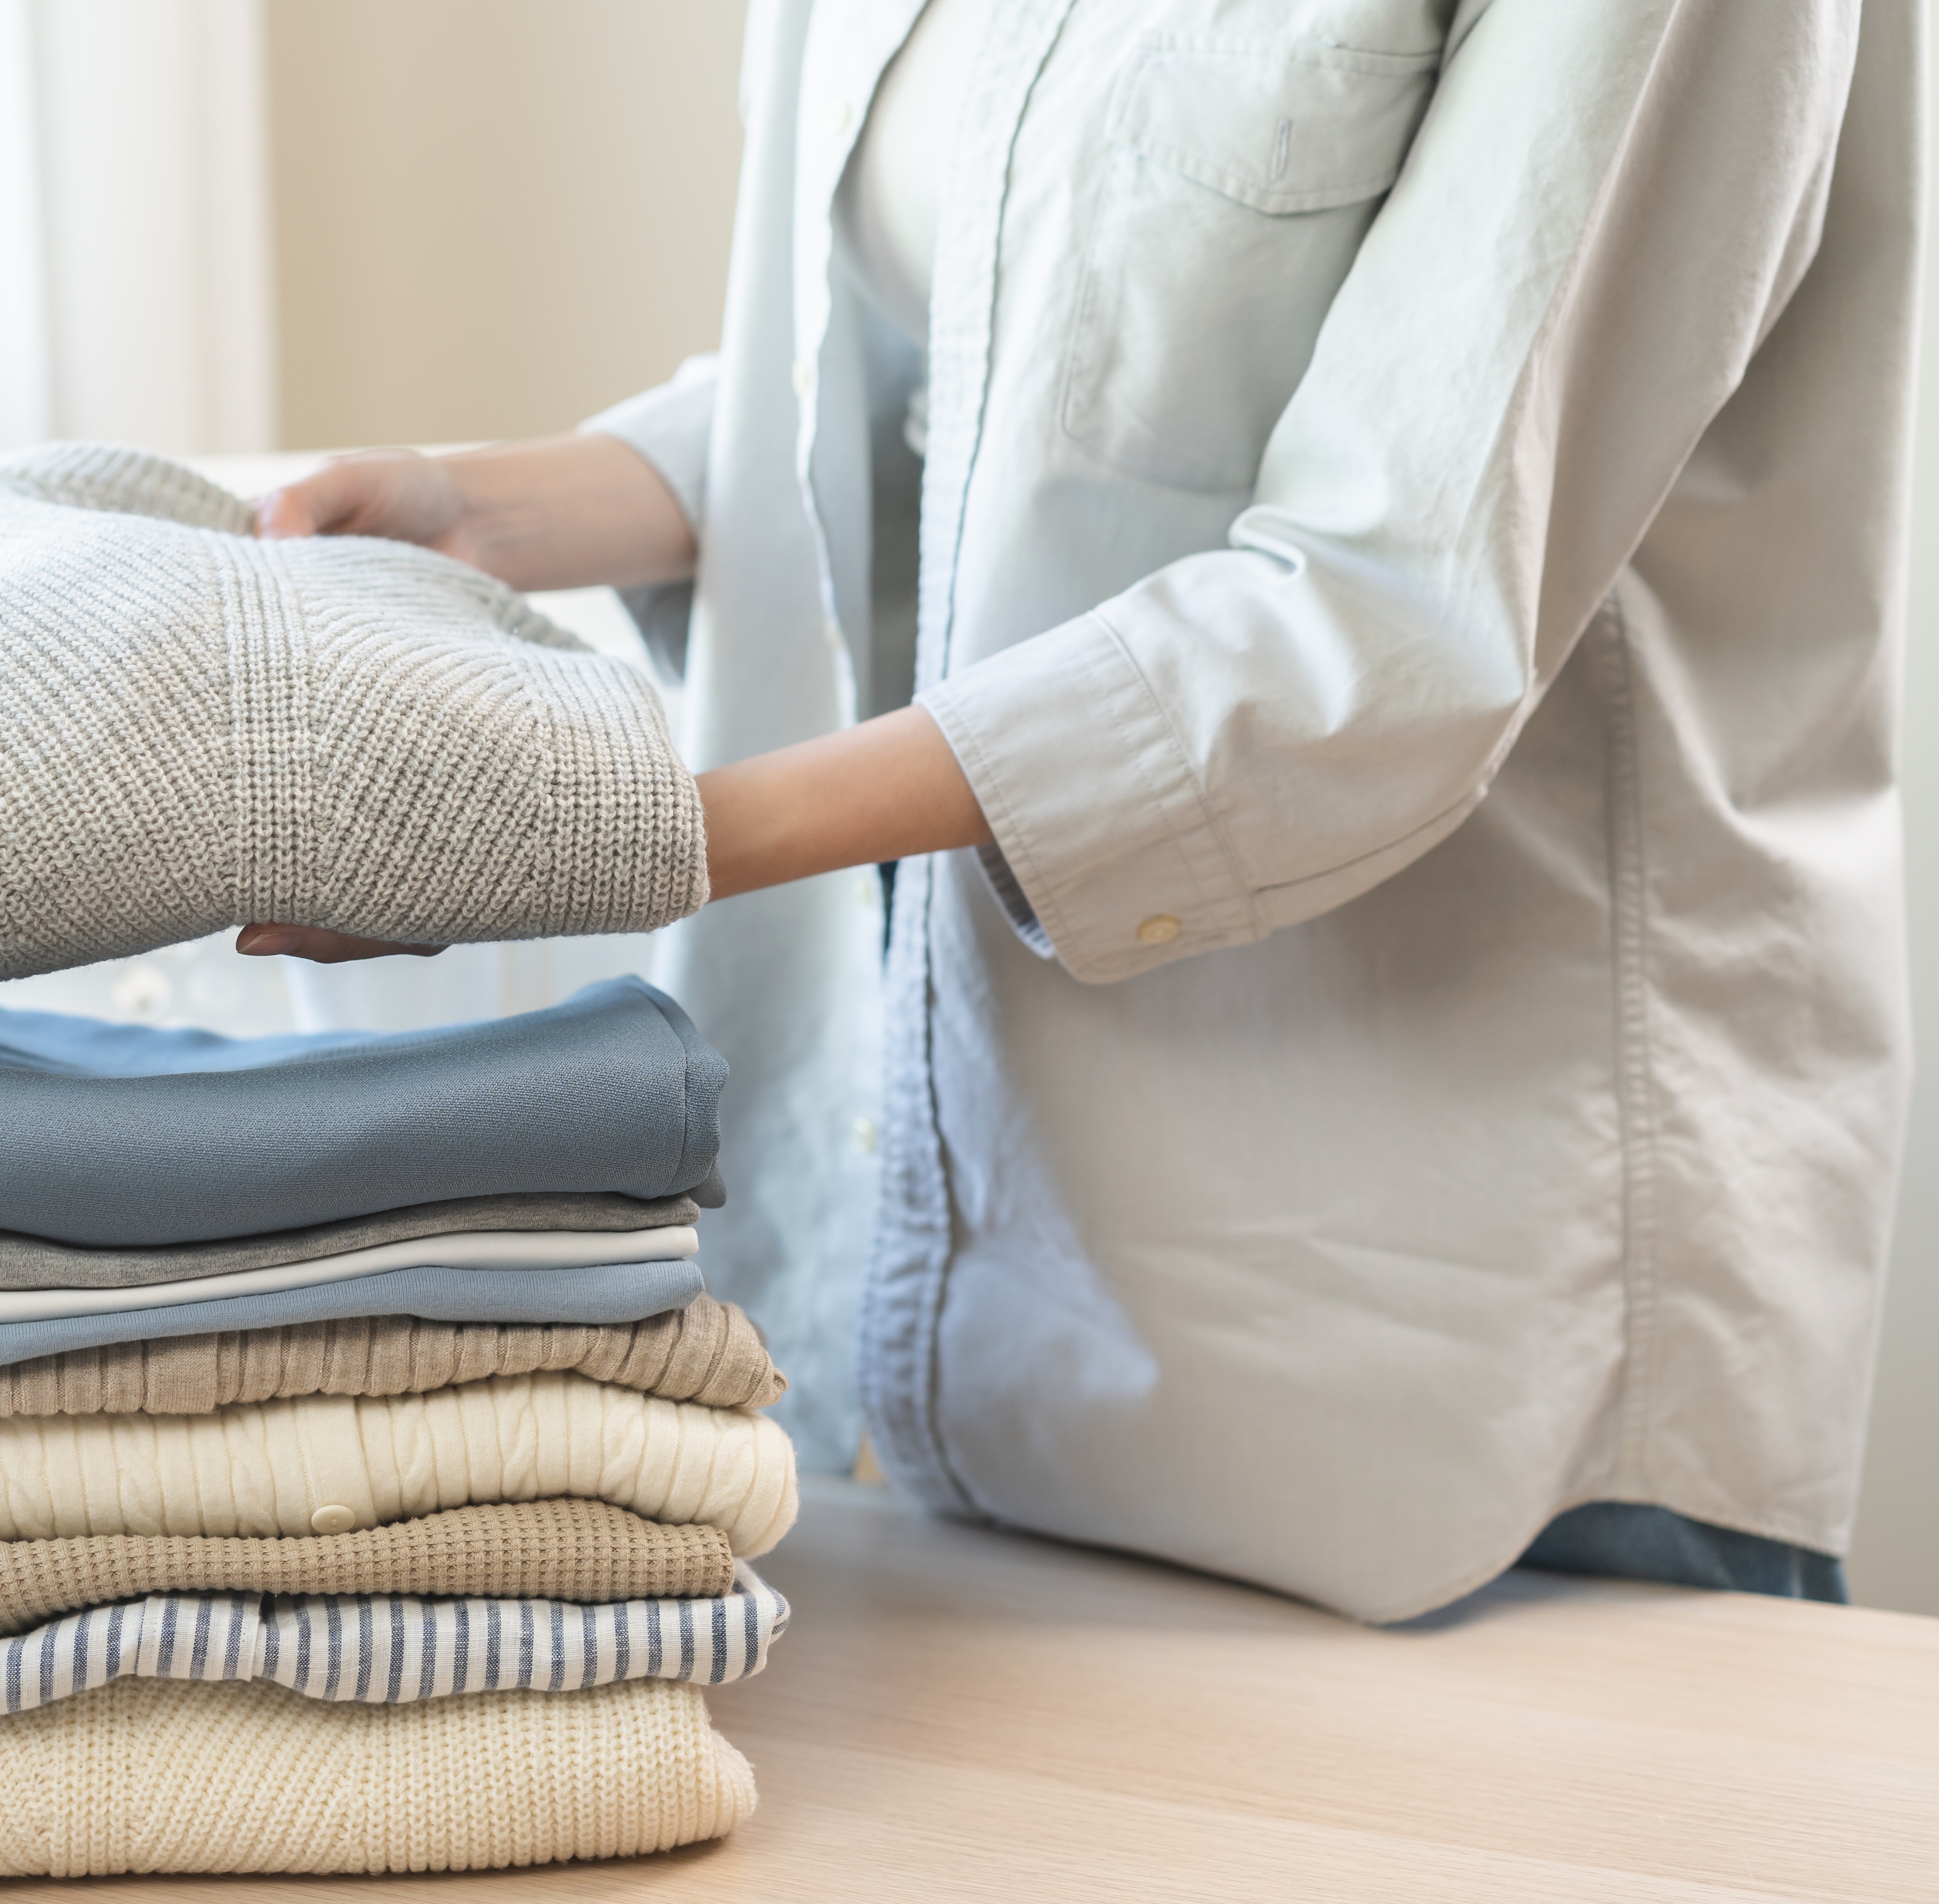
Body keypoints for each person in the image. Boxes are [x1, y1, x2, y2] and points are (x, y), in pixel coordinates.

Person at [239, 0, 1914, 1621]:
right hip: (1002, 1330)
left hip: (1472, 1355)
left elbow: (1385, 622)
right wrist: (491, 513)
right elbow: (959, 367)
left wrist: (622, 842)